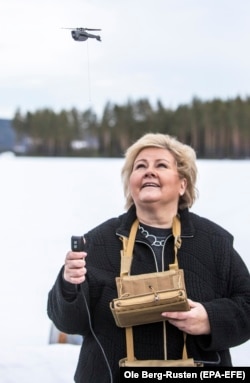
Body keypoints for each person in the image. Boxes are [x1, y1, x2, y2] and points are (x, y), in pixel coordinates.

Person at [47, 133, 250, 382]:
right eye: (140, 166)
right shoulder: (99, 242)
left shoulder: (214, 242)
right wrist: (69, 285)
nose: (149, 171)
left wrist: (211, 318)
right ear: (131, 183)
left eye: (161, 165)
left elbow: (247, 304)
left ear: (182, 184)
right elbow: (68, 322)